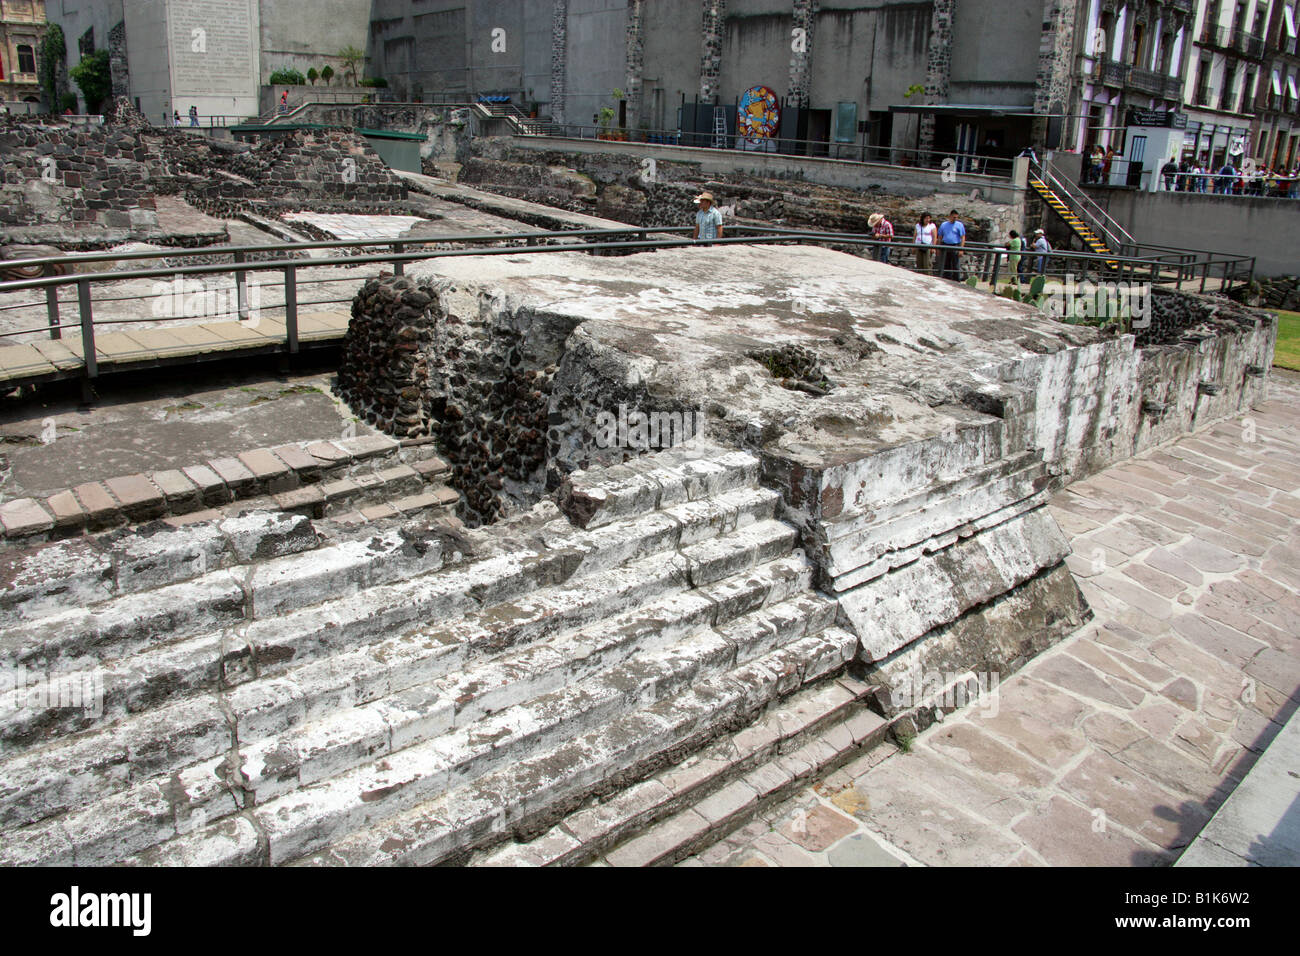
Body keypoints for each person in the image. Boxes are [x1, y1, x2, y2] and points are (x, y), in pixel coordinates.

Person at [937, 208, 966, 281]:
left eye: (956, 217)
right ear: (950, 216)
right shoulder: (944, 225)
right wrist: (938, 247)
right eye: (954, 217)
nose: (955, 219)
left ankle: (956, 280)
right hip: (945, 245)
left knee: (955, 264)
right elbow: (940, 236)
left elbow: (962, 237)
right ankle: (946, 279)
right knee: (946, 263)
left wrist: (961, 249)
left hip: (955, 245)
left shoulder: (959, 225)